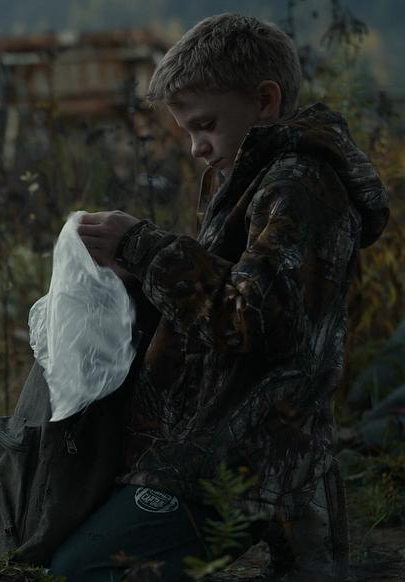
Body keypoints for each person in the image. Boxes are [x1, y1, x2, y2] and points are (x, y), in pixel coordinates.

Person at [53, 13, 390, 581]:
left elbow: (254, 321)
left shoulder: (299, 186)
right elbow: (224, 298)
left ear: (265, 101)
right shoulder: (251, 177)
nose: (195, 147)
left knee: (82, 571)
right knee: (64, 543)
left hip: (243, 455)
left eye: (204, 125)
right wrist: (135, 278)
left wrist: (145, 246)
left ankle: (291, 517)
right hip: (219, 439)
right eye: (187, 131)